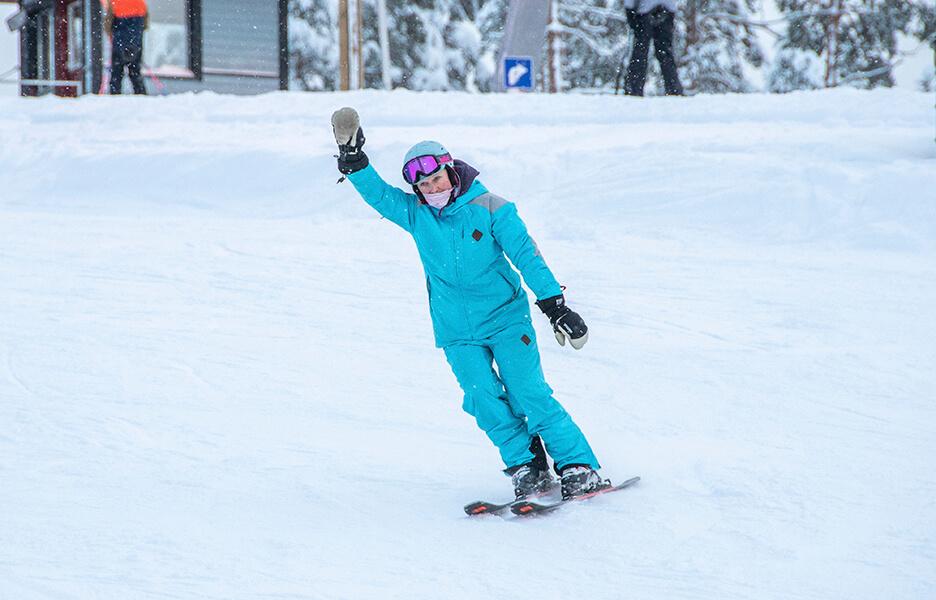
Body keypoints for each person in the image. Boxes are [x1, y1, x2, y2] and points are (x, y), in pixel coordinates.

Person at [330, 107, 609, 501]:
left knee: (527, 392)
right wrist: (354, 160)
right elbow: (378, 194)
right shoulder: (416, 214)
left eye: (436, 178)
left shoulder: (492, 207)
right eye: (423, 185)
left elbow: (527, 256)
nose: (432, 188)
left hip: (505, 319)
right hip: (455, 328)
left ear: (452, 170)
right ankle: (527, 466)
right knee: (482, 398)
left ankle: (577, 465)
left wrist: (554, 305)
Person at [623, 0, 684, 96]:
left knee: (640, 52)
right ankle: (674, 89)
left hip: (644, 9)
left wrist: (629, 10)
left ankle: (634, 89)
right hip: (668, 8)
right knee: (665, 53)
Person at [103, 0, 149, 95]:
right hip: (135, 44)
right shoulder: (140, 2)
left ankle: (114, 96)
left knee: (116, 74)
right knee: (135, 73)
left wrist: (109, 32)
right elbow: (145, 23)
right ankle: (141, 95)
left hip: (119, 44)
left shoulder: (115, 1)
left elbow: (108, 21)